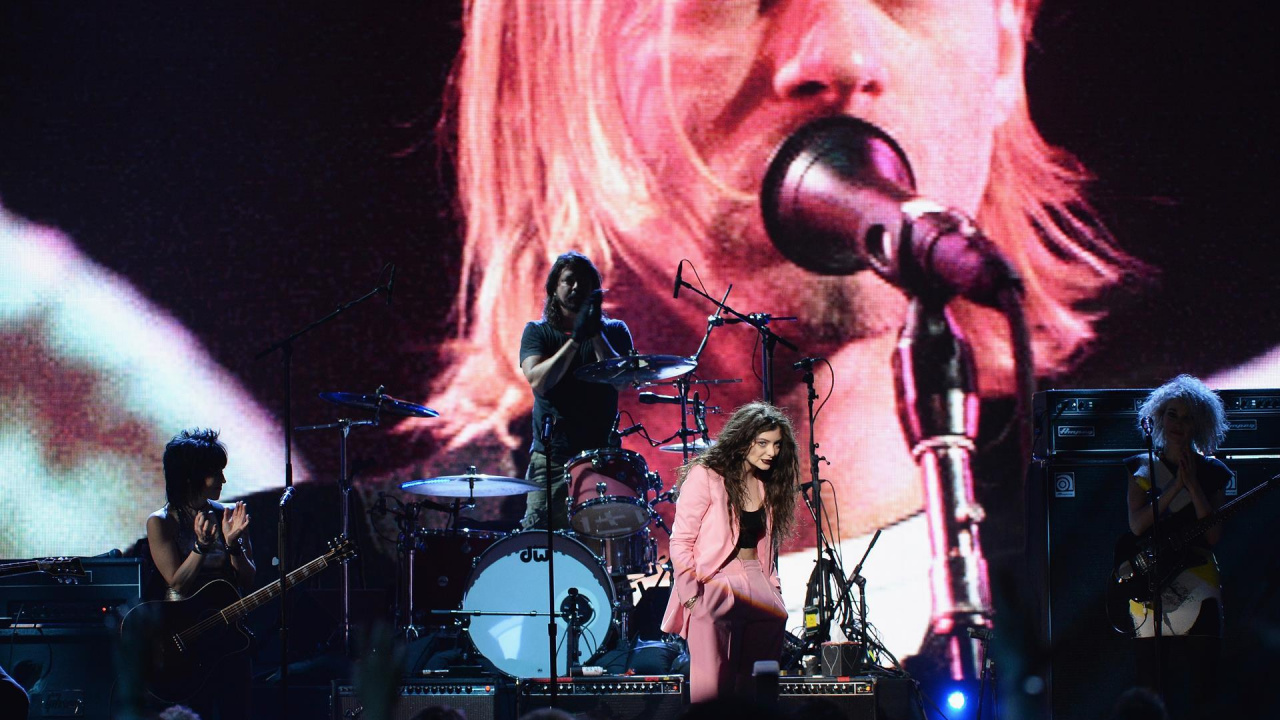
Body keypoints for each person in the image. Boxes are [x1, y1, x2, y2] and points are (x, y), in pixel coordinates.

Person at [404, 0, 1143, 656]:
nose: (842, 59)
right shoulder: (383, 601)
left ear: (1006, 44)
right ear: (541, 70)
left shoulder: (1160, 569)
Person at [660, 402, 798, 702]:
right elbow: (681, 541)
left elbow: (766, 546)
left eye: (776, 444)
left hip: (757, 582)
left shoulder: (766, 483)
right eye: (763, 443)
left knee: (758, 691)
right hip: (715, 581)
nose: (772, 452)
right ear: (743, 439)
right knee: (712, 691)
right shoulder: (706, 475)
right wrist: (692, 598)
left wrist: (773, 588)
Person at [1124, 375, 1231, 717]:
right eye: (1172, 414)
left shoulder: (1214, 471)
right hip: (1151, 584)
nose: (1178, 424)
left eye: (1187, 417)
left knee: (1203, 686)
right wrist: (1173, 488)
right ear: (1159, 416)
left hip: (1199, 582)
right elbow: (1137, 525)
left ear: (1199, 423)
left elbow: (1213, 537)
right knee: (1151, 685)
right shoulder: (1142, 467)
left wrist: (1193, 485)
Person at [144, 428, 255, 719]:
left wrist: (233, 545)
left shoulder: (228, 514)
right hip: (185, 644)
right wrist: (200, 547)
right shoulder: (161, 522)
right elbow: (177, 583)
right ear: (190, 477)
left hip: (229, 639)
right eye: (215, 473)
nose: (223, 480)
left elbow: (248, 579)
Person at [518, 251, 633, 531]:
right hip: (551, 461)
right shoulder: (537, 332)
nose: (576, 287)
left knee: (601, 540)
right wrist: (575, 341)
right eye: (569, 280)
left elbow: (622, 382)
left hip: (602, 458)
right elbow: (539, 381)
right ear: (554, 288)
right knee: (540, 538)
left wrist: (595, 334)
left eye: (584, 282)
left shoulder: (615, 331)